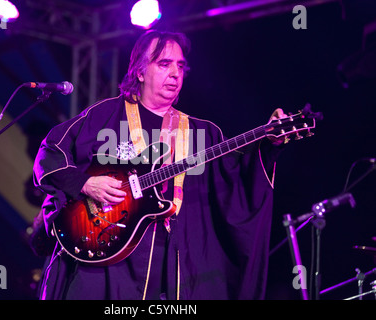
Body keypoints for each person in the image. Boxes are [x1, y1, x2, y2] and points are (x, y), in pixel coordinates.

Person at [32, 30, 286, 300]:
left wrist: (268, 143)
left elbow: (236, 183)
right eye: (164, 64)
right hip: (103, 257)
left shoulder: (203, 133)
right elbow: (51, 151)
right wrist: (85, 183)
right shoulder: (105, 115)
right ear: (139, 72)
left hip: (174, 268)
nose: (176, 73)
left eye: (180, 65)